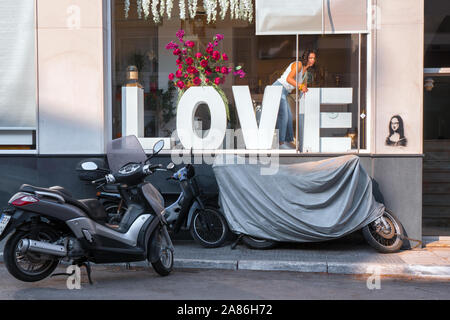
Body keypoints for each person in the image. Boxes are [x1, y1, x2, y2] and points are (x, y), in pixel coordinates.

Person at [272, 50, 317, 149]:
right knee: (284, 115)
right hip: (278, 88)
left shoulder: (306, 73)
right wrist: (301, 86)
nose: (312, 60)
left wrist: (304, 91)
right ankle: (281, 143)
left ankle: (287, 141)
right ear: (306, 58)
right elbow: (289, 79)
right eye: (310, 58)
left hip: (284, 92)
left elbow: (303, 88)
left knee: (289, 116)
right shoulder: (299, 65)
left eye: (314, 58)